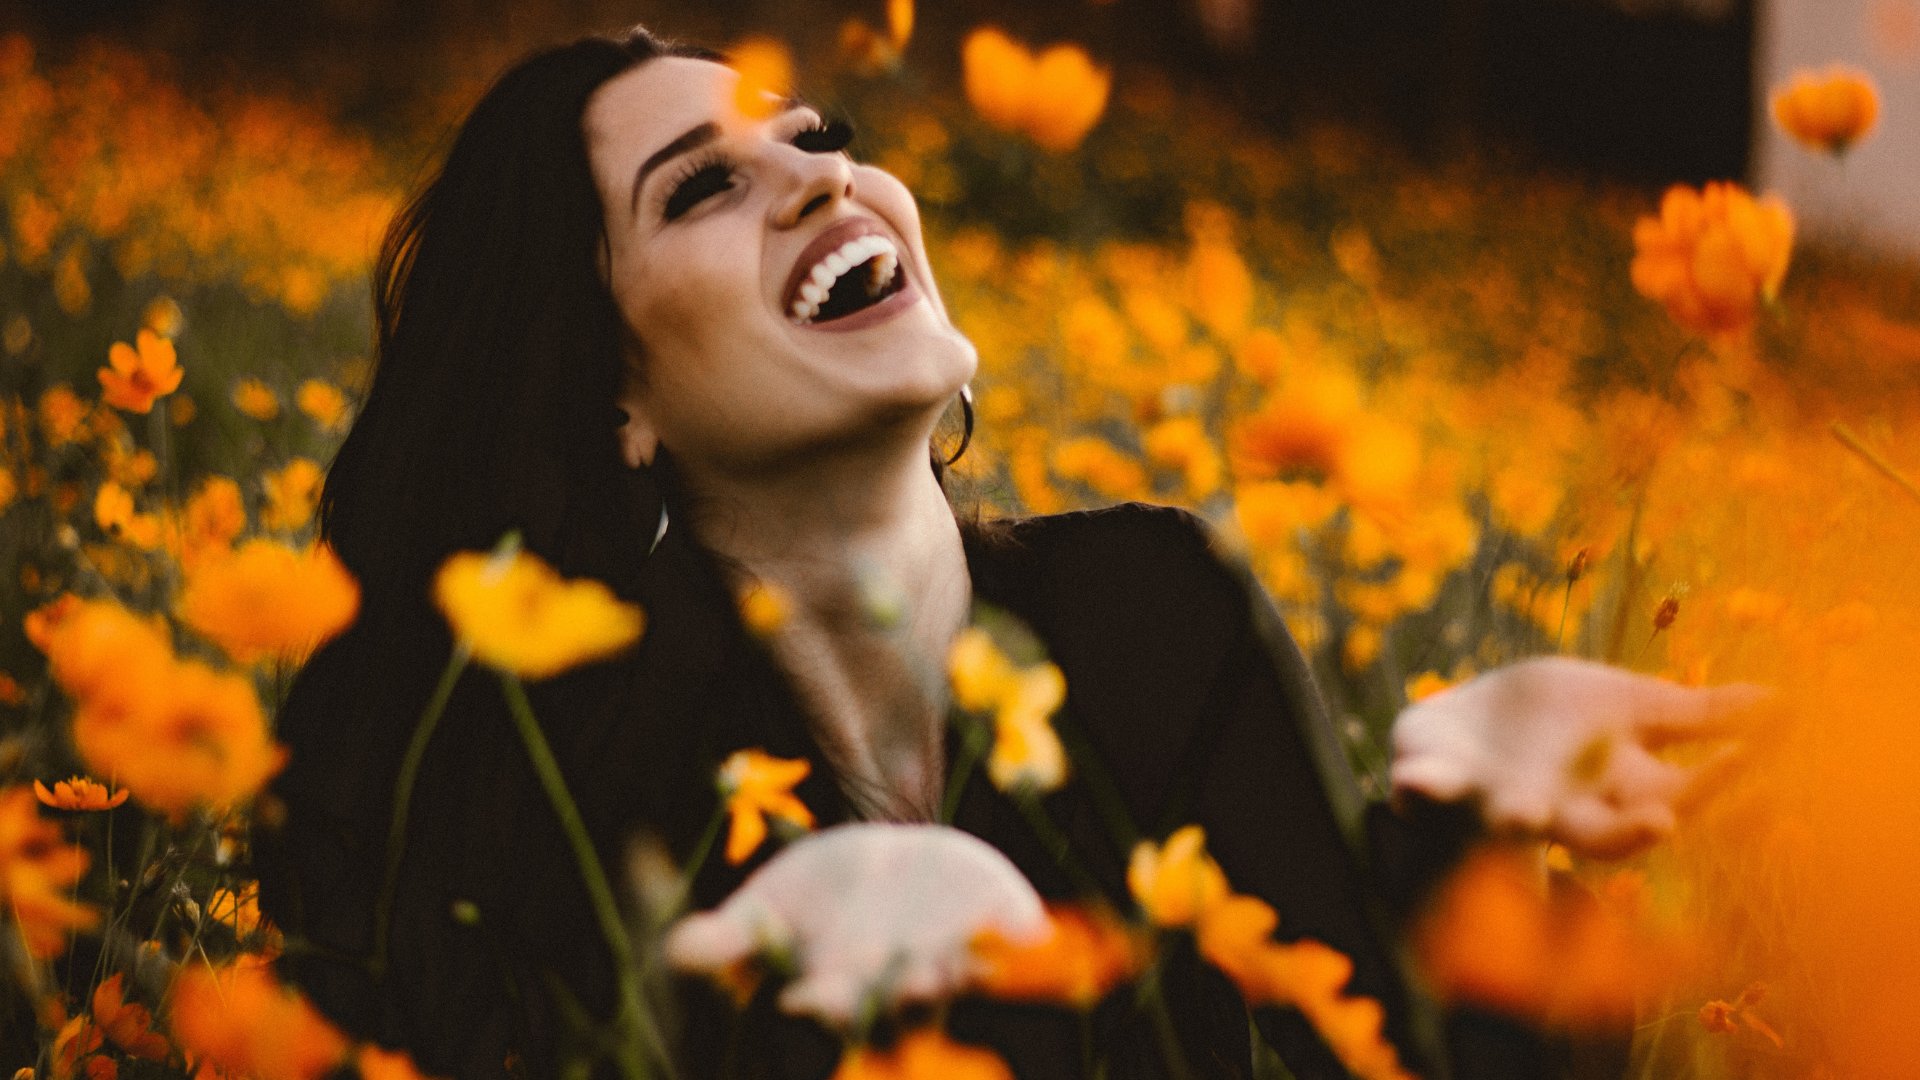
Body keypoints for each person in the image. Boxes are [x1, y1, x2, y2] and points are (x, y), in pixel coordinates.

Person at [255, 25, 1753, 1080]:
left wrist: (1462, 808)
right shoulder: (585, 794)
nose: (824, 181)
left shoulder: (1158, 612)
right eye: (704, 187)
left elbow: (1385, 1048)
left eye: (816, 140)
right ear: (613, 398)